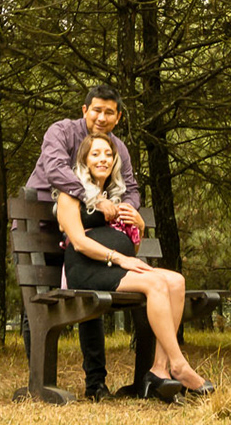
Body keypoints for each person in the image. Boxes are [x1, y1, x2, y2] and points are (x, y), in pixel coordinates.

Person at [56, 135, 213, 401]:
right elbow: (80, 243)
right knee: (155, 283)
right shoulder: (70, 194)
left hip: (116, 266)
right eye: (95, 154)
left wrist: (139, 226)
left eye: (108, 153)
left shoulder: (116, 197)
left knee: (175, 281)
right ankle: (179, 365)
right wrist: (119, 258)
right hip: (86, 269)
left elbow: (133, 249)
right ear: (84, 159)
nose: (102, 158)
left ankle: (159, 369)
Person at [25, 83, 144, 400]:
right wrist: (93, 198)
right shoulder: (61, 132)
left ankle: (96, 385)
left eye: (109, 112)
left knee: (92, 298)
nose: (101, 117)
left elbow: (129, 186)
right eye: (96, 110)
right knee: (38, 303)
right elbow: (56, 170)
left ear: (117, 117)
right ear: (84, 110)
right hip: (41, 227)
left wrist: (128, 211)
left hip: (89, 231)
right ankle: (38, 378)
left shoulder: (117, 147)